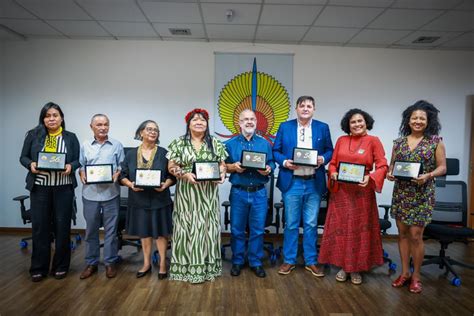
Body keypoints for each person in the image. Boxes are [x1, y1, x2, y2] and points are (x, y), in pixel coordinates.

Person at [318, 108, 388, 285]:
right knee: (341, 229)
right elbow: (333, 163)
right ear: (347, 125)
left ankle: (356, 268)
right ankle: (343, 266)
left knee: (359, 230)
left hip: (362, 193)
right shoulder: (342, 140)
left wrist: (370, 177)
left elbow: (382, 165)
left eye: (360, 121)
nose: (357, 124)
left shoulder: (374, 141)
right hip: (341, 193)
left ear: (366, 123)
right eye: (353, 122)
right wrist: (333, 173)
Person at [387, 100, 446, 294]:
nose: (418, 121)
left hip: (422, 194)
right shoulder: (399, 142)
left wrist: (429, 175)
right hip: (402, 193)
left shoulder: (436, 141)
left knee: (416, 236)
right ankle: (404, 273)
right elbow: (392, 166)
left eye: (422, 118)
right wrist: (390, 174)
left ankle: (417, 276)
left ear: (429, 121)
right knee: (402, 234)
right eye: (414, 118)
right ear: (408, 120)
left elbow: (442, 167)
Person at [273, 96, 333, 276]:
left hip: (314, 182)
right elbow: (276, 150)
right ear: (297, 109)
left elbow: (330, 150)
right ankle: (289, 260)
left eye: (309, 106)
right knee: (291, 223)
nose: (305, 109)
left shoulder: (323, 127)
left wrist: (323, 159)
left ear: (314, 109)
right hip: (293, 182)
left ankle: (311, 261)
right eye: (302, 106)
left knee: (311, 223)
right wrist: (284, 162)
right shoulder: (285, 126)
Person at [19, 102, 80, 282]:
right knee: (40, 228)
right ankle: (38, 268)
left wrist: (71, 166)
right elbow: (23, 157)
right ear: (43, 119)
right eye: (48, 116)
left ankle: (61, 266)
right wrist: (30, 164)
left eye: (55, 115)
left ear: (61, 118)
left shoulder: (70, 137)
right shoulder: (33, 135)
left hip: (63, 188)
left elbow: (78, 160)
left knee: (62, 228)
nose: (51, 118)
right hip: (40, 188)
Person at [167, 108, 228, 283]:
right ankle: (185, 269)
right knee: (186, 228)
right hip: (187, 193)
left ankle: (207, 269)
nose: (199, 122)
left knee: (207, 229)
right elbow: (171, 166)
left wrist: (222, 173)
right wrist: (183, 174)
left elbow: (222, 165)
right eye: (195, 120)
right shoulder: (179, 143)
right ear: (189, 124)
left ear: (207, 124)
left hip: (208, 194)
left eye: (203, 120)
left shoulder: (215, 143)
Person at [120, 120, 175, 279]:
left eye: (156, 130)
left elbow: (172, 176)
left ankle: (163, 264)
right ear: (141, 133)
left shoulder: (164, 153)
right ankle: (146, 263)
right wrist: (130, 184)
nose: (153, 132)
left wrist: (166, 185)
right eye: (149, 129)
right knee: (144, 233)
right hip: (138, 199)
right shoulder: (130, 154)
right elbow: (123, 175)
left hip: (160, 199)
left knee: (161, 233)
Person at [225, 109, 275, 278]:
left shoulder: (264, 143)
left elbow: (271, 163)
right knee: (237, 229)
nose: (249, 122)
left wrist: (268, 169)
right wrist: (233, 167)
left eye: (252, 119)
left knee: (258, 230)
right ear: (239, 123)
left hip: (259, 193)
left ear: (256, 122)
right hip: (239, 192)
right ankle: (238, 261)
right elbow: (222, 166)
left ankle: (255, 262)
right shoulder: (230, 144)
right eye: (245, 119)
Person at [78, 114, 124, 279]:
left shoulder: (117, 145)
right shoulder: (84, 145)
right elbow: (81, 166)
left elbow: (121, 166)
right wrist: (81, 173)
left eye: (105, 124)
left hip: (111, 194)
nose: (103, 127)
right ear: (92, 127)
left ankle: (110, 263)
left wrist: (117, 173)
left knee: (111, 231)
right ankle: (91, 263)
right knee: (91, 231)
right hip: (90, 195)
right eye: (99, 125)